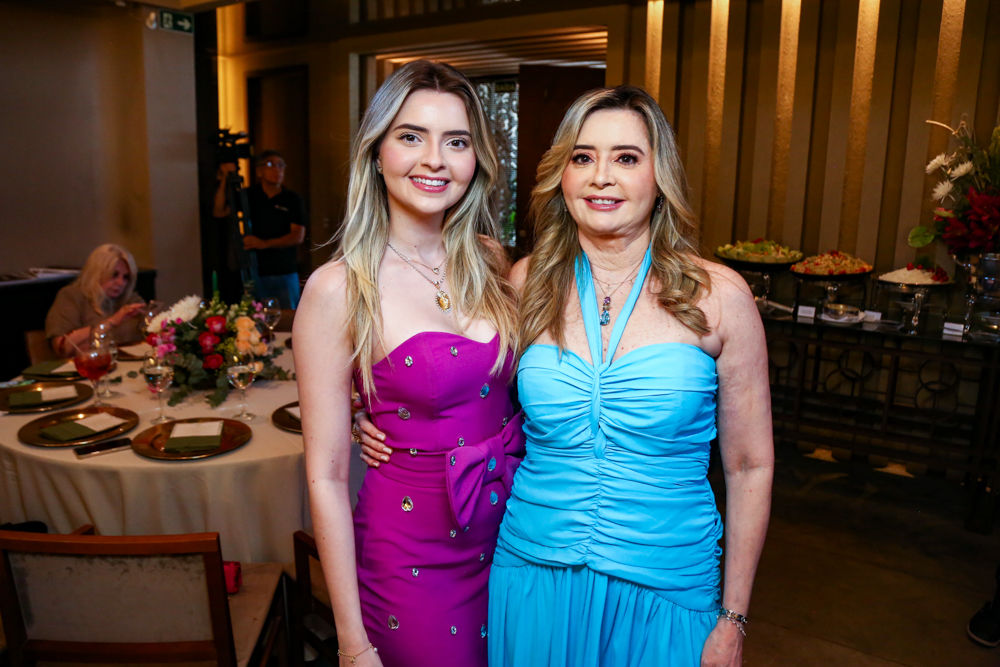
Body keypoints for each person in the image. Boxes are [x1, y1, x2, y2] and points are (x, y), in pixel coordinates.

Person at [357, 86, 774, 666]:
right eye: (583, 157)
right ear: (563, 174)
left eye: (626, 157)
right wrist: (369, 412)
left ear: (660, 176)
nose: (602, 176)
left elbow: (750, 466)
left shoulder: (720, 296)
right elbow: (461, 385)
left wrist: (734, 617)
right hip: (534, 575)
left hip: (666, 582)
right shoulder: (524, 282)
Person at [293, 60, 520, 667]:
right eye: (412, 136)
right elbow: (326, 478)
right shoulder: (339, 288)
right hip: (413, 558)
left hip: (516, 539)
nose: (435, 160)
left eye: (457, 142)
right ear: (376, 151)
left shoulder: (492, 263)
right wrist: (352, 644)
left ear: (476, 160)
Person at [213, 149, 307, 308]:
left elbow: (298, 236)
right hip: (255, 271)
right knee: (256, 316)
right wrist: (224, 178)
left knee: (289, 315)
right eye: (271, 165)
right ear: (259, 171)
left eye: (281, 165)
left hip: (285, 271)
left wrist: (264, 243)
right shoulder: (249, 196)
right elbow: (219, 211)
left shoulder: (292, 199)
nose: (277, 169)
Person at [45, 243, 146, 357]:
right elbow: (63, 347)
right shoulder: (71, 296)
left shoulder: (130, 299)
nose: (121, 283)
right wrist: (111, 322)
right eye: (114, 275)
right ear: (96, 273)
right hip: (86, 364)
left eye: (126, 277)